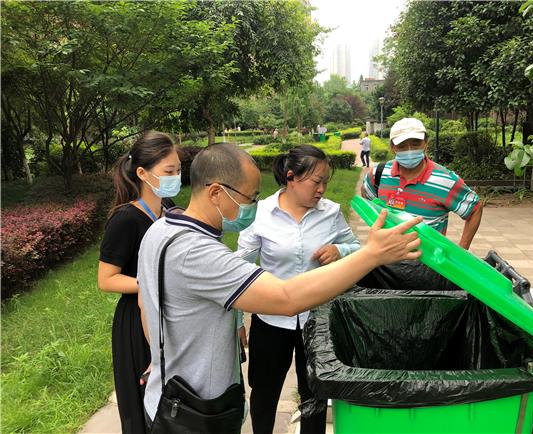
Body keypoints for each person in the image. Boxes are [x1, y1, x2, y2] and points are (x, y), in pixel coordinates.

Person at [137, 143, 422, 430]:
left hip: (166, 395)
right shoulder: (200, 254)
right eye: (250, 197)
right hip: (196, 411)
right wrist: (371, 255)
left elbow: (145, 303)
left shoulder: (161, 230)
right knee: (265, 390)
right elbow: (287, 298)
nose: (253, 205)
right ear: (215, 192)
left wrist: (163, 357)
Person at [237, 145, 360, 434]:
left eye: (326, 182)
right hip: (270, 319)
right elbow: (238, 268)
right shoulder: (262, 213)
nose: (322, 189)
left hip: (317, 321)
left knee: (314, 393)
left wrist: (340, 249)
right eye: (316, 182)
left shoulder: (330, 212)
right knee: (264, 391)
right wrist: (235, 318)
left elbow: (357, 247)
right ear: (291, 177)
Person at [97, 131, 181, 434]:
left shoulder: (169, 207)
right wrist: (150, 282)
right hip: (135, 323)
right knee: (142, 406)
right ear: (143, 173)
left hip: (166, 315)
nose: (176, 176)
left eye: (178, 170)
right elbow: (106, 280)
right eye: (168, 172)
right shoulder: (125, 219)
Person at [361, 117, 482, 249]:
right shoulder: (378, 173)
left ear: (426, 143)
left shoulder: (445, 180)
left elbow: (475, 209)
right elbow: (367, 197)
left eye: (415, 143)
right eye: (402, 145)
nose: (409, 150)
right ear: (392, 147)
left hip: (427, 264)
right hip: (385, 257)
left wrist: (461, 251)